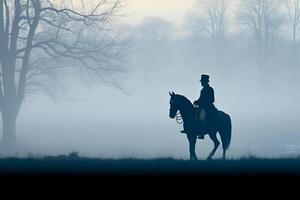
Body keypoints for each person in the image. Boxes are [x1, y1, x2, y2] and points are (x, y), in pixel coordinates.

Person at [181, 74, 217, 139]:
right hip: (201, 107)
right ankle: (188, 128)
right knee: (192, 114)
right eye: (201, 82)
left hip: (207, 107)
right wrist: (197, 101)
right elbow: (201, 99)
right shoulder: (202, 90)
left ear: (205, 82)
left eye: (202, 82)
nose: (201, 83)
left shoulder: (210, 89)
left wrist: (202, 103)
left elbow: (212, 100)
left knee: (201, 117)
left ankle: (202, 133)